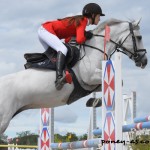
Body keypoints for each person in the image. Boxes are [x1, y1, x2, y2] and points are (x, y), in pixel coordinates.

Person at [38, 3, 105, 90]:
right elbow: (80, 40)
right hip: (46, 30)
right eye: (99, 16)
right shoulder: (83, 21)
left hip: (43, 31)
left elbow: (67, 40)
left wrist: (84, 34)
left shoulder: (80, 21)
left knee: (55, 57)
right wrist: (86, 35)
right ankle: (59, 79)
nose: (99, 19)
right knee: (62, 49)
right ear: (92, 15)